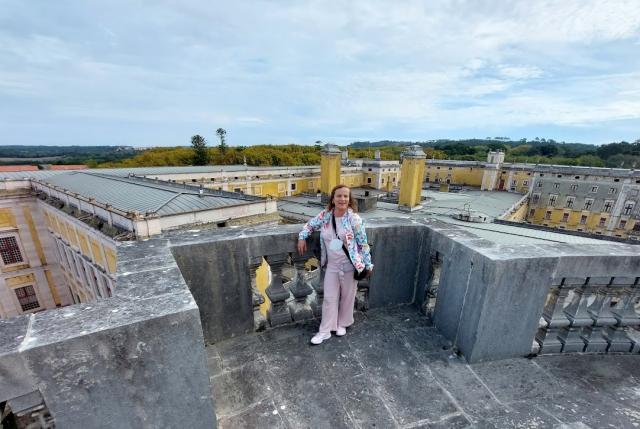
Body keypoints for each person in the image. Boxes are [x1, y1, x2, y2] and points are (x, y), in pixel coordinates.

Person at [297, 184, 373, 345]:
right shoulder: (326, 215)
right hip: (331, 265)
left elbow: (363, 244)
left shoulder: (354, 219)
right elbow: (310, 225)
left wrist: (368, 264)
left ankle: (342, 323)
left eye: (346, 196)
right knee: (329, 298)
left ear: (349, 199)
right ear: (333, 199)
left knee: (347, 297)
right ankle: (324, 331)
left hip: (349, 265)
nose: (342, 199)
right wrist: (302, 237)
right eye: (339, 196)